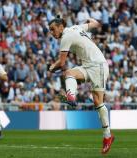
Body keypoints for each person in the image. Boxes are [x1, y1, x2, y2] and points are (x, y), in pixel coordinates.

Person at [48, 16, 114, 154]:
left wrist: (51, 68)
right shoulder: (76, 27)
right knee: (69, 73)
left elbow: (61, 63)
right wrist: (90, 19)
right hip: (88, 65)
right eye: (50, 30)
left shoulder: (66, 37)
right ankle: (71, 96)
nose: (52, 33)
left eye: (53, 29)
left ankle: (107, 136)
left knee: (98, 101)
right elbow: (96, 23)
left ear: (61, 27)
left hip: (99, 66)